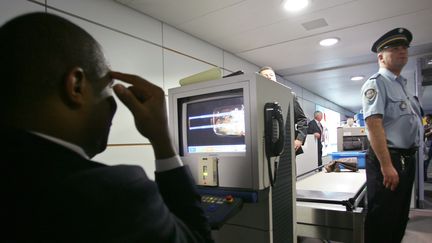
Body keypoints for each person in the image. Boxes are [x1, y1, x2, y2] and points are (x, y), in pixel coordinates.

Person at [1, 12, 213, 242]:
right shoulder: (112, 194)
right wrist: (162, 139)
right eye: (108, 87)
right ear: (76, 86)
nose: (112, 103)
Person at [361, 27, 423, 243]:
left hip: (406, 158)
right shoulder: (377, 83)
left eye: (405, 47)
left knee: (399, 216)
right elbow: (374, 124)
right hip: (389, 158)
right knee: (382, 217)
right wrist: (387, 165)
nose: (402, 51)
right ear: (381, 56)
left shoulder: (403, 86)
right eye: (395, 48)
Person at [259, 66, 308, 155]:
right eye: (265, 76)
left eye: (271, 75)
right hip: (263, 146)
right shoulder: (256, 97)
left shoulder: (289, 95)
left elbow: (302, 119)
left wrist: (299, 139)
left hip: (287, 144)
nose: (269, 77)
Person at [424, 114, 432, 181]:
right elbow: (423, 134)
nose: (426, 120)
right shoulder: (425, 126)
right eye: (426, 119)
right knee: (426, 161)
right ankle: (424, 177)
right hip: (428, 145)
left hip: (429, 145)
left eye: (427, 119)